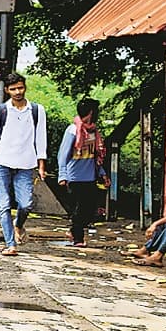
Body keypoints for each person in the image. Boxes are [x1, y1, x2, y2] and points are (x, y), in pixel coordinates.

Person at [0, 72, 47, 257]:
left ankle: (18, 224)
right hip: (2, 161)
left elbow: (41, 138)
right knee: (3, 205)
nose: (17, 92)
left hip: (26, 163)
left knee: (25, 204)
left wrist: (41, 164)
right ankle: (10, 244)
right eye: (13, 89)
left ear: (25, 87)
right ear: (7, 90)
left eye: (20, 87)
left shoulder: (36, 110)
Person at [57, 97, 108, 248]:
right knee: (80, 208)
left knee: (89, 208)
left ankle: (74, 230)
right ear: (91, 112)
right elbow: (63, 154)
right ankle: (78, 238)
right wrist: (63, 175)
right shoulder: (72, 130)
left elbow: (95, 156)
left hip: (90, 175)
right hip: (74, 175)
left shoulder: (93, 131)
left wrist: (102, 173)